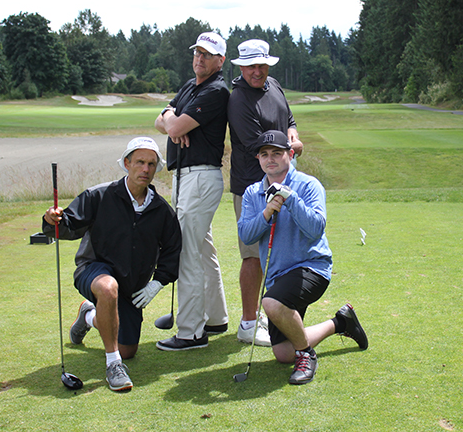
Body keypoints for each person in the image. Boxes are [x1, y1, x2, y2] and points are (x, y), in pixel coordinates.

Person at [42, 137, 181, 391]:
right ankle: (113, 365)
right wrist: (52, 220)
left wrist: (158, 283)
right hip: (93, 270)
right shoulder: (99, 195)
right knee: (108, 288)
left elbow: (173, 250)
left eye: (151, 164)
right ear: (127, 163)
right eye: (139, 162)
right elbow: (67, 225)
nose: (146, 169)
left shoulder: (161, 210)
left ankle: (90, 315)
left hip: (130, 286)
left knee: (128, 348)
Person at [238, 130, 368, 385]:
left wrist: (289, 199)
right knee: (284, 353)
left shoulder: (309, 185)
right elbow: (246, 235)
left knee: (271, 304)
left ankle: (307, 355)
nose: (270, 159)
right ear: (258, 159)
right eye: (264, 155)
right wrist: (266, 212)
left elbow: (315, 228)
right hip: (279, 277)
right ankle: (341, 322)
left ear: (291, 154)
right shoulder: (252, 193)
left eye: (277, 153)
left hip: (312, 268)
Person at [154, 31, 229, 351]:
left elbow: (169, 126)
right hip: (185, 177)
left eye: (207, 54)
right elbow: (161, 120)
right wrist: (174, 122)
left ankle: (191, 332)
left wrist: (174, 125)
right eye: (197, 52)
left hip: (199, 177)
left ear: (220, 61)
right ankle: (215, 317)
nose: (199, 58)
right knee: (203, 249)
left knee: (187, 252)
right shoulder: (190, 85)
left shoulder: (216, 90)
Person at [228, 39, 304, 346]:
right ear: (241, 66)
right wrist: (289, 148)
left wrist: (294, 135)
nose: (257, 71)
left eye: (262, 65)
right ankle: (248, 322)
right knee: (253, 256)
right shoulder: (238, 99)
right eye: (251, 66)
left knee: (281, 251)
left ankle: (275, 312)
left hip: (282, 179)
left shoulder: (273, 85)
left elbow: (289, 120)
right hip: (251, 186)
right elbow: (256, 145)